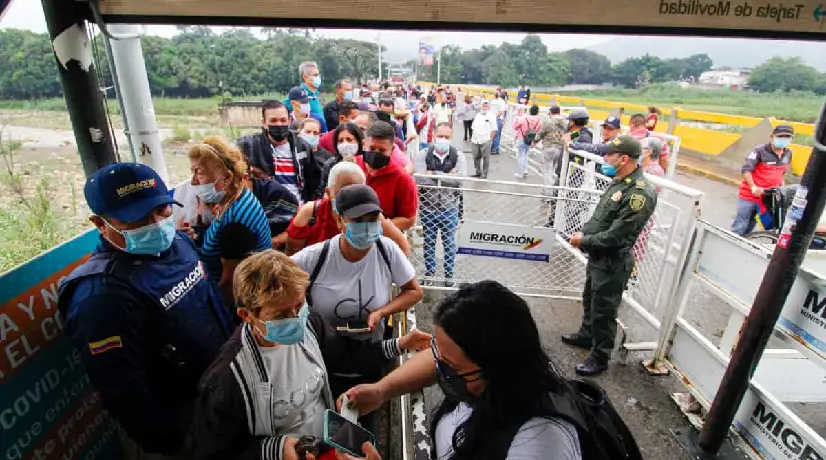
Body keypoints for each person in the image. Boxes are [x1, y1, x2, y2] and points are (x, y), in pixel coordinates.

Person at [58, 163, 235, 459]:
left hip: (222, 396)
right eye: (138, 218)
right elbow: (126, 392)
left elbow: (212, 304)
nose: (156, 223)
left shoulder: (177, 242)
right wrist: (175, 443)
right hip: (184, 429)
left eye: (162, 210)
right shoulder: (100, 298)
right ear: (101, 224)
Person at [190, 249, 430, 460]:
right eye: (281, 315)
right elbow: (214, 451)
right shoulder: (225, 382)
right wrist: (272, 450)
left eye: (299, 305)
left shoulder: (310, 323)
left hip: (330, 435)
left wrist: (398, 344)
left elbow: (346, 353)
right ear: (246, 315)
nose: (296, 319)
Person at [341, 281, 582, 460]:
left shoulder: (541, 442)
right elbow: (442, 357)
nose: (439, 366)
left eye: (452, 365)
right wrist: (381, 390)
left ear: (496, 367)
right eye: (438, 353)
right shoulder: (487, 385)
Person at [291, 184, 423, 436]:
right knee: (324, 429)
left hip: (371, 358)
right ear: (339, 219)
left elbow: (414, 291)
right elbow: (278, 279)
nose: (366, 226)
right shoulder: (316, 257)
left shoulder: (387, 251)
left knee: (363, 431)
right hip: (322, 363)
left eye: (372, 219)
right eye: (357, 220)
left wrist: (382, 312)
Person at [565, 136, 657, 376]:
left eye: (610, 155)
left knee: (604, 311)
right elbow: (601, 218)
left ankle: (600, 355)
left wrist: (583, 240)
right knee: (590, 299)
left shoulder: (640, 193)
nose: (605, 159)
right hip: (598, 255)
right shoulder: (619, 183)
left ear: (624, 158)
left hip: (612, 260)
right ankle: (587, 336)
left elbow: (618, 235)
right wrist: (584, 231)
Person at [189, 138, 272, 301]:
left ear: (226, 178)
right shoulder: (236, 197)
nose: (193, 181)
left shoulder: (236, 225)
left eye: (199, 173)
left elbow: (230, 286)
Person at [286, 161, 410, 256]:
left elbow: (402, 248)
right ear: (328, 193)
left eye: (356, 191)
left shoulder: (373, 217)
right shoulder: (311, 212)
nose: (351, 197)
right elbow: (293, 253)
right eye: (343, 191)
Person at [238, 100, 325, 204]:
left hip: (298, 210)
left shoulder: (302, 146)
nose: (279, 124)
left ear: (289, 120)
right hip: (267, 210)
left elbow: (314, 181)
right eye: (273, 121)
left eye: (283, 120)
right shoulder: (249, 146)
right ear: (264, 123)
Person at [415, 122, 466, 286]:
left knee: (449, 244)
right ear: (434, 136)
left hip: (449, 208)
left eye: (447, 137)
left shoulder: (458, 156)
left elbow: (459, 180)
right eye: (440, 136)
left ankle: (449, 274)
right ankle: (430, 273)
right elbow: (419, 179)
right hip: (427, 208)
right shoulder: (423, 154)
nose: (443, 139)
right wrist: (446, 176)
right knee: (428, 242)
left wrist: (434, 174)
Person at [731, 125, 794, 236]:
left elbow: (782, 173)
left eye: (787, 137)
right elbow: (746, 170)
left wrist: (782, 189)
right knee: (740, 225)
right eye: (780, 136)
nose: (783, 139)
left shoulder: (788, 154)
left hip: (768, 197)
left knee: (752, 225)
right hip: (750, 195)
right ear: (772, 136)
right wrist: (753, 187)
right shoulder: (759, 151)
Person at [355, 122, 419, 231]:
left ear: (392, 150)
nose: (376, 153)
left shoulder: (402, 178)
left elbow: (409, 220)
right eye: (372, 148)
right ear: (363, 144)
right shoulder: (352, 166)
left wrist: (374, 227)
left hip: (383, 239)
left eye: (382, 150)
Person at [287, 61, 327, 132]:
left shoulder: (315, 94)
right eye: (315, 75)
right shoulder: (299, 95)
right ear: (305, 77)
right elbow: (282, 109)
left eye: (318, 75)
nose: (318, 78)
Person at [535, 105, 568, 192]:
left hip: (548, 147)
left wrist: (534, 141)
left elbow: (541, 133)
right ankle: (551, 188)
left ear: (550, 112)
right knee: (553, 169)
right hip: (560, 149)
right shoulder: (565, 122)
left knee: (546, 171)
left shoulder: (548, 121)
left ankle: (548, 191)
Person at [512, 105, 542, 179]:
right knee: (525, 155)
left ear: (530, 111)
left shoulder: (524, 118)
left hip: (522, 137)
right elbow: (538, 131)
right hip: (530, 139)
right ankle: (525, 170)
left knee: (521, 155)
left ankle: (520, 172)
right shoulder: (539, 121)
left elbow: (515, 127)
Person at [470, 100, 497, 179]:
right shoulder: (477, 115)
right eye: (483, 105)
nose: (484, 107)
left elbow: (494, 129)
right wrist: (472, 138)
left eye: (486, 106)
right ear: (481, 106)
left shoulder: (491, 115)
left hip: (486, 140)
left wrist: (490, 140)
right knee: (475, 157)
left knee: (486, 158)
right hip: (475, 140)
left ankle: (484, 174)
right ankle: (478, 172)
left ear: (488, 107)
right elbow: (473, 127)